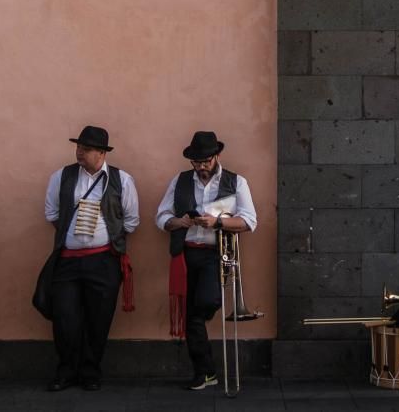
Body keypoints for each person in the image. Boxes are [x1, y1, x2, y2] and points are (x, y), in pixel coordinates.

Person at [155, 131, 258, 390]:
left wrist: (218, 222)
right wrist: (179, 221)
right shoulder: (179, 181)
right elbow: (161, 216)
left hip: (216, 253)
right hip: (186, 252)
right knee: (193, 316)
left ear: (216, 156)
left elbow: (249, 221)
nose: (201, 167)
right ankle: (206, 372)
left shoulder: (236, 182)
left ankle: (206, 366)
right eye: (196, 162)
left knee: (206, 302)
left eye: (206, 161)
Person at [43, 125, 140, 391]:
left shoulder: (122, 180)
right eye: (78, 147)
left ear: (101, 153)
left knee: (98, 319)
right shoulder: (61, 177)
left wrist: (104, 239)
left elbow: (131, 221)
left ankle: (90, 372)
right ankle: (65, 371)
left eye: (85, 149)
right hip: (67, 260)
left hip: (104, 261)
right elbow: (52, 213)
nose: (79, 153)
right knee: (64, 318)